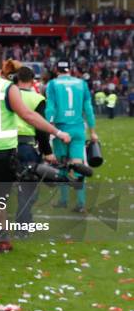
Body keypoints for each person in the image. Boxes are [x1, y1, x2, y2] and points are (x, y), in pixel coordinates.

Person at [0, 47, 70, 261]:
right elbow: (28, 115)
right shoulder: (7, 88)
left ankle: (3, 239)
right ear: (1, 67)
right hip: (2, 150)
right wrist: (57, 132)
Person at [45, 61, 98, 213]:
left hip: (61, 129)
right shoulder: (81, 83)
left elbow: (50, 108)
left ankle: (63, 200)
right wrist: (93, 131)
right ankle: (81, 203)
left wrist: (49, 129)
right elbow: (88, 108)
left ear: (56, 70)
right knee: (78, 165)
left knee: (62, 165)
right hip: (78, 129)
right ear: (70, 70)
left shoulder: (52, 84)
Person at [14, 67, 56, 236]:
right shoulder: (37, 98)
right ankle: (23, 227)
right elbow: (40, 128)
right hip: (27, 146)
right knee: (29, 188)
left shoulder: (8, 96)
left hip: (6, 143)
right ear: (32, 81)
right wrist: (47, 151)